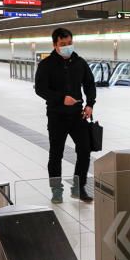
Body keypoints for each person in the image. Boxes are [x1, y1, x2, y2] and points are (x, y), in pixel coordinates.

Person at [34, 27, 97, 203]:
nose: (67, 47)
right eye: (63, 44)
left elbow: (90, 84)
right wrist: (62, 99)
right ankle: (56, 190)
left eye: (69, 43)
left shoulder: (80, 62)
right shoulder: (46, 65)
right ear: (55, 45)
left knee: (84, 150)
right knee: (56, 154)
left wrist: (90, 104)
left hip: (78, 116)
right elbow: (40, 89)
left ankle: (79, 188)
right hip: (57, 116)